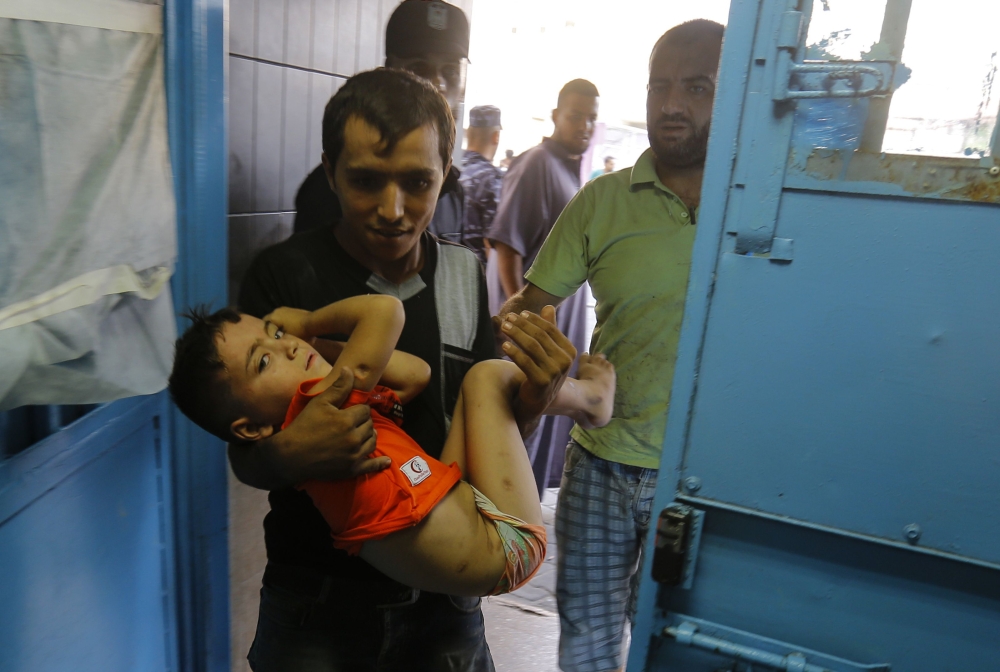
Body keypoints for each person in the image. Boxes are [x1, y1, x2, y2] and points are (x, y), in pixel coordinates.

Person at [233, 68, 572, 671]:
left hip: (447, 606)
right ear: (329, 170)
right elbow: (244, 452)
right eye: (365, 181)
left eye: (418, 182)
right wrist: (293, 453)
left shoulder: (467, 276)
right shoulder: (283, 280)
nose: (393, 211)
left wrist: (535, 399)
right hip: (317, 604)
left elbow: (492, 436)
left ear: (447, 173)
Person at [497, 20, 724, 672]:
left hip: (701, 480)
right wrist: (520, 348)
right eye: (661, 86)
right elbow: (525, 310)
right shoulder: (603, 201)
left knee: (672, 646)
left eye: (698, 87)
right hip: (599, 465)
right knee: (588, 644)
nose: (672, 104)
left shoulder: (754, 211)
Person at [169, 297, 615, 596]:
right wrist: (306, 323)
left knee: (474, 384)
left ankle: (582, 399)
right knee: (488, 376)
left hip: (465, 508)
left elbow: (415, 373)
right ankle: (590, 400)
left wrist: (317, 345)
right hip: (504, 543)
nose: (286, 347)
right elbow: (386, 311)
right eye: (262, 361)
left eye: (276, 333)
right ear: (250, 429)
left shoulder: (320, 417)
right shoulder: (319, 410)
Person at [486, 78, 599, 494]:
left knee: (530, 461)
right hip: (525, 345)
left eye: (591, 118)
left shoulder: (569, 171)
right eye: (575, 116)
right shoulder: (536, 164)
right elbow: (505, 247)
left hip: (546, 344)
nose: (584, 126)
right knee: (510, 456)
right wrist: (521, 329)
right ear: (555, 116)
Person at [293, 0, 470, 242]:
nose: (437, 84)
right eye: (419, 67)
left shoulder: (453, 192)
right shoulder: (331, 191)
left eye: (450, 71)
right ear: (389, 72)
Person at [459, 105, 503, 264]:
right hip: (476, 277)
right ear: (496, 136)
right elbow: (495, 245)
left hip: (446, 272)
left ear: (468, 133)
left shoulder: (452, 169)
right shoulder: (492, 179)